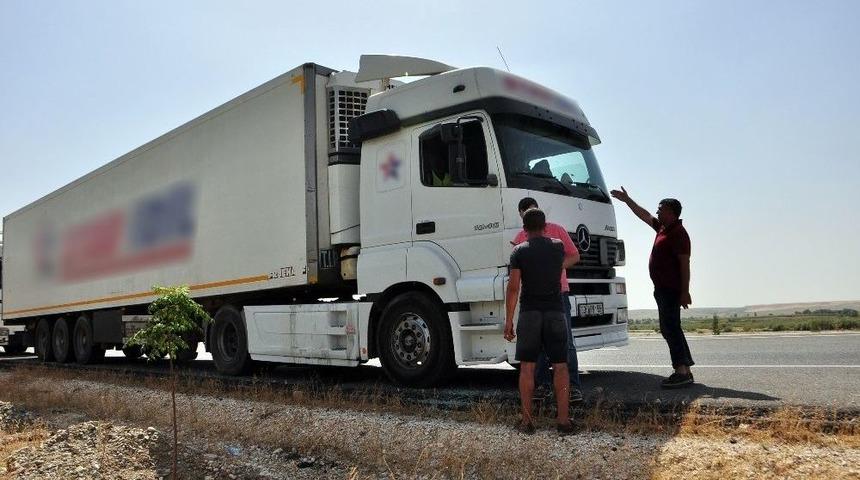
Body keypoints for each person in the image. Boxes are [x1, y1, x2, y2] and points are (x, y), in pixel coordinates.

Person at [610, 186, 695, 388]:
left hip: (671, 289)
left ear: (671, 213)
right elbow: (645, 215)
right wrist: (628, 200)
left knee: (670, 328)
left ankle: (681, 371)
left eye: (661, 209)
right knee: (672, 328)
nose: (657, 212)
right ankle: (686, 368)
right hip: (663, 289)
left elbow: (685, 264)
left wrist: (684, 291)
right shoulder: (663, 229)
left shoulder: (679, 234)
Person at [504, 208, 579, 434]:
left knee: (527, 367)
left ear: (524, 229)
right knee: (561, 366)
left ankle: (527, 423)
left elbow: (514, 288)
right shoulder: (557, 246)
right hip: (555, 312)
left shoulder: (519, 251)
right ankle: (563, 422)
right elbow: (570, 258)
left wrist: (509, 320)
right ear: (545, 226)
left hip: (530, 314)